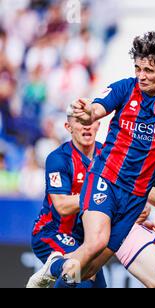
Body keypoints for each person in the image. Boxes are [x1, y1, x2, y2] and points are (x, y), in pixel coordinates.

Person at [28, 31, 155, 288]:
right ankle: (57, 264)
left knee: (88, 268)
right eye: (138, 68)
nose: (142, 76)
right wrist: (85, 113)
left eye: (149, 70)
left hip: (136, 197)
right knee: (96, 242)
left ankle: (56, 266)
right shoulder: (124, 88)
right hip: (106, 178)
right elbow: (95, 110)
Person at [27, 105, 106, 288]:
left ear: (98, 125)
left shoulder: (107, 156)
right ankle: (53, 267)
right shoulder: (59, 158)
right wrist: (100, 196)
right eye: (80, 121)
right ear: (68, 127)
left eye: (90, 121)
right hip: (52, 233)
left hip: (85, 239)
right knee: (80, 273)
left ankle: (55, 268)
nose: (87, 126)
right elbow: (62, 205)